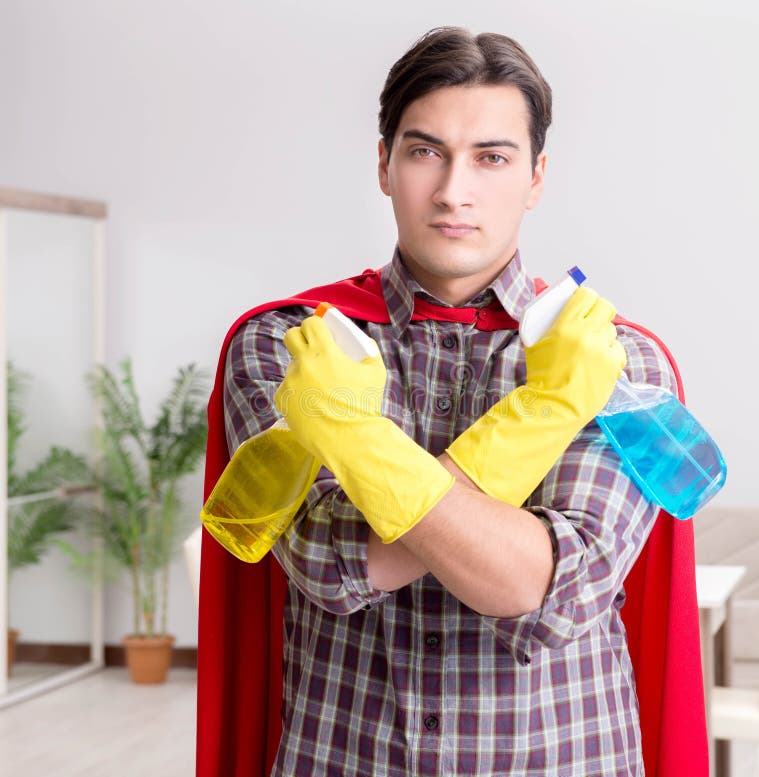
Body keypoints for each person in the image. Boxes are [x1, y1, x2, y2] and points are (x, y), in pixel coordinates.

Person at [197, 26, 707, 776]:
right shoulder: (286, 346)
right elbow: (333, 564)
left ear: (536, 176)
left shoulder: (620, 359)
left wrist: (351, 437)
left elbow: (542, 587)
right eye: (425, 150)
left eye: (491, 158)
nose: (452, 191)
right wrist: (548, 415)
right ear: (384, 164)